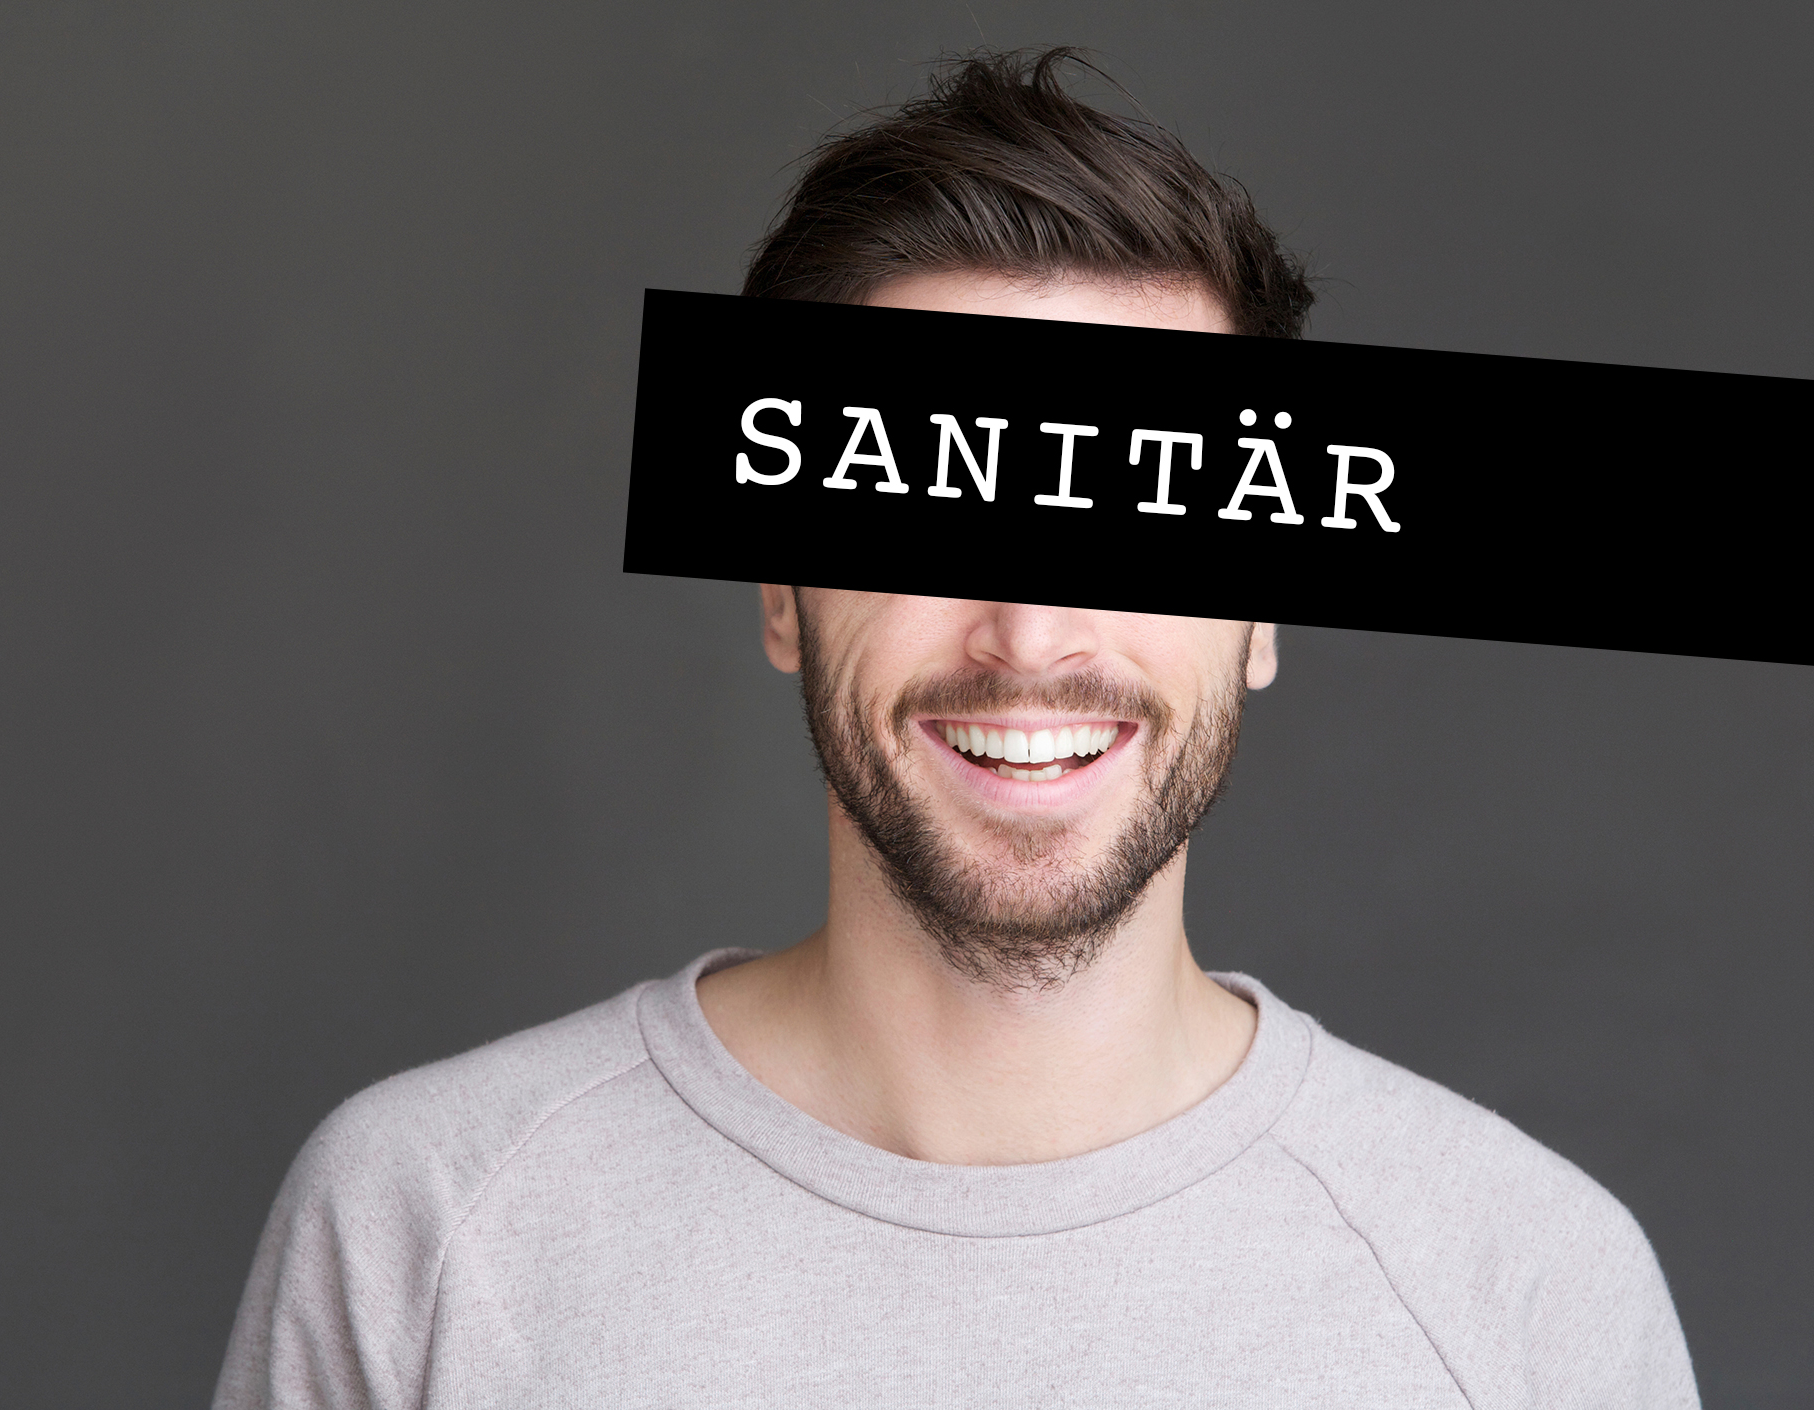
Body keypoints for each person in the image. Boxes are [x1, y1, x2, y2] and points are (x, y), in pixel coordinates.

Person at [214, 48, 1697, 1409]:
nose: (1030, 636)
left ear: (1263, 608)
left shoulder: (1534, 1294)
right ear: (782, 589)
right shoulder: (424, 1228)